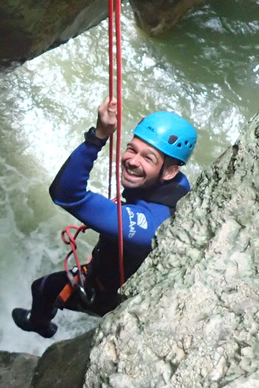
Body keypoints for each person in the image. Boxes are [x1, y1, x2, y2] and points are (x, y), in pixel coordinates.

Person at [12, 97, 197, 338]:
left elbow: (67, 195)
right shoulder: (176, 187)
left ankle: (40, 325)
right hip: (108, 271)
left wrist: (98, 136)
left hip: (106, 294)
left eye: (148, 158)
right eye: (132, 149)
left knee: (42, 288)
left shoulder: (149, 225)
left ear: (170, 171)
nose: (132, 161)